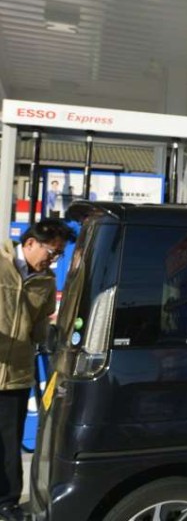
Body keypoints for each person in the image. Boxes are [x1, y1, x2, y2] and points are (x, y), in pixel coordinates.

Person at [0, 218, 75, 520]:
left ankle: (7, 503)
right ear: (30, 243)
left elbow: (40, 325)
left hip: (16, 375)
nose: (53, 259)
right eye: (51, 252)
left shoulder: (46, 281)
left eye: (58, 254)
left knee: (9, 445)